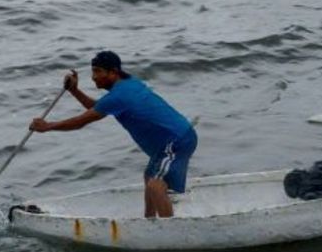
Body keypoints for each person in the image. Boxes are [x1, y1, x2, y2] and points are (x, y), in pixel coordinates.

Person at [30, 51, 197, 218]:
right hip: (177, 137)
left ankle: (168, 229)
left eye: (98, 71)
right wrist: (74, 91)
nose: (93, 77)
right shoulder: (128, 84)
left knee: (155, 184)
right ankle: (149, 221)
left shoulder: (119, 96)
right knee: (149, 177)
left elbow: (81, 121)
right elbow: (98, 108)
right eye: (93, 71)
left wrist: (48, 126)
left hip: (175, 140)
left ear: (113, 72)